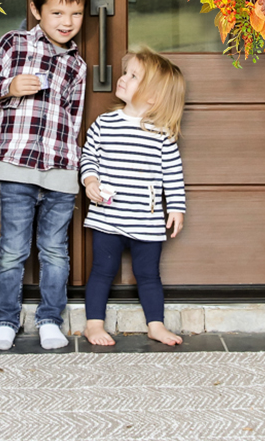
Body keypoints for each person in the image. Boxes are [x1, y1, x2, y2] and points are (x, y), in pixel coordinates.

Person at [0, 0, 88, 350]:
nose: (67, 22)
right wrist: (10, 87)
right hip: (16, 166)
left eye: (75, 13)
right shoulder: (14, 43)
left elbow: (74, 120)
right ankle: (5, 321)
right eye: (57, 12)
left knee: (55, 251)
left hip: (59, 169)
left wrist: (75, 170)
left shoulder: (77, 65)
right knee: (13, 249)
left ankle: (50, 319)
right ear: (37, 11)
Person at [81, 46, 186, 346]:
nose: (123, 78)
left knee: (149, 274)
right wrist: (90, 180)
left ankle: (156, 325)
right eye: (126, 72)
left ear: (152, 97)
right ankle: (93, 325)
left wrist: (176, 208)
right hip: (108, 216)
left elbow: (173, 175)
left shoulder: (162, 134)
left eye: (133, 76)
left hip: (146, 220)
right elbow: (89, 157)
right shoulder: (105, 124)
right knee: (102, 271)